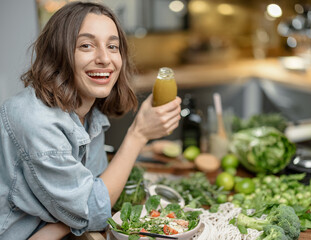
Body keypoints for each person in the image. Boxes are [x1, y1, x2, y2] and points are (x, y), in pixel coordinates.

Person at [0, 2, 181, 239]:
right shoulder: (36, 119)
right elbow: (92, 210)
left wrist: (66, 222)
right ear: (58, 53)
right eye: (86, 45)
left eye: (112, 46)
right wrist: (138, 134)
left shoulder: (89, 109)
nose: (105, 58)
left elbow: (93, 192)